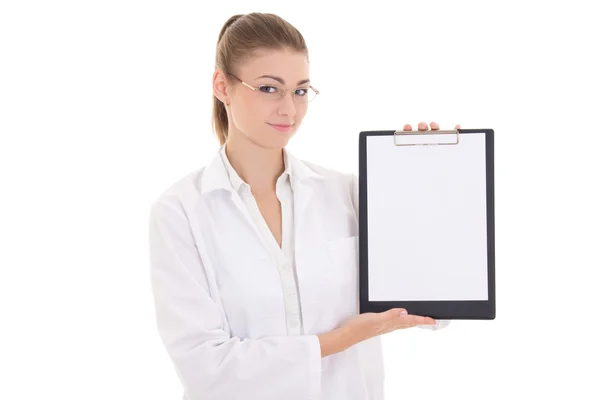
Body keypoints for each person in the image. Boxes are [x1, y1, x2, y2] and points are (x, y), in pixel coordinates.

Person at [149, 12, 457, 400]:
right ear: (222, 87)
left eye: (299, 90)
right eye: (268, 89)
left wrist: (434, 175)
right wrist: (342, 339)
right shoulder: (181, 213)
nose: (289, 110)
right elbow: (207, 369)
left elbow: (433, 294)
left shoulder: (346, 194)